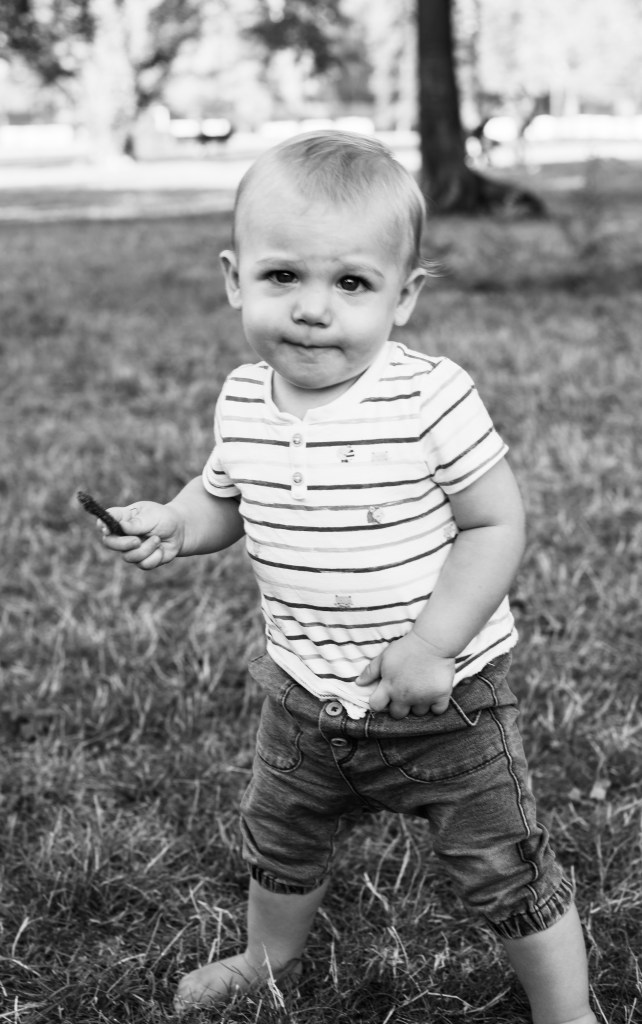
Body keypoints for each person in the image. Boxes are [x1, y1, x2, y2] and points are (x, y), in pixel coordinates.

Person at [100, 131, 596, 1024]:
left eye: (353, 283)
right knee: (280, 843)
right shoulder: (243, 397)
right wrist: (175, 522)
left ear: (404, 297)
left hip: (446, 703)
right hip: (301, 695)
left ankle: (567, 1011)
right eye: (283, 276)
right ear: (234, 280)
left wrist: (433, 643)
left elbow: (496, 522)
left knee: (503, 867)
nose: (312, 309)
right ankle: (267, 956)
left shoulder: (428, 395)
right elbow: (226, 497)